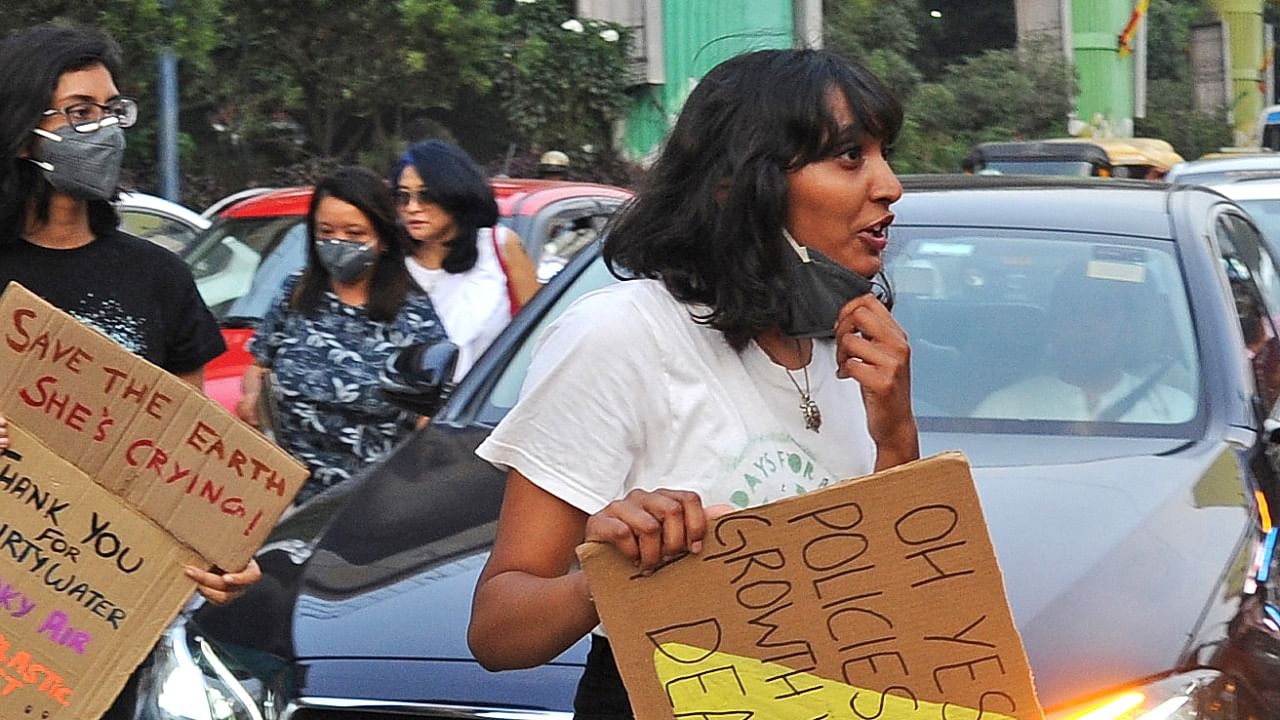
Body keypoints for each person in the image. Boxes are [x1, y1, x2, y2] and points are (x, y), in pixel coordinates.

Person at [467, 48, 919, 717]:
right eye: (851, 156)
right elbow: (498, 629)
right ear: (742, 183)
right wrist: (613, 575)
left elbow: (896, 592)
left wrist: (896, 437)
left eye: (884, 154)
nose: (890, 187)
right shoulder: (620, 335)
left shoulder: (849, 340)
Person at [0, 22, 257, 719]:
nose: (106, 129)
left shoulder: (159, 277)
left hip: (104, 616)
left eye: (113, 110)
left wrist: (224, 556)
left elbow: (192, 456)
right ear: (26, 133)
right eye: (80, 113)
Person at [236, 166, 447, 506]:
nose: (339, 243)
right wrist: (253, 398)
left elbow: (432, 418)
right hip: (285, 497)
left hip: (370, 502)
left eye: (354, 233)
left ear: (382, 239)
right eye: (326, 232)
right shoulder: (296, 292)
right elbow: (260, 365)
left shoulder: (414, 315)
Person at [972, 264, 1195, 423]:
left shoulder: (1177, 410)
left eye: (1102, 312)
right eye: (1072, 311)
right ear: (1053, 324)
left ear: (1127, 328)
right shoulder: (1003, 409)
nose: (1086, 323)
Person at [393, 139, 538, 379]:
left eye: (425, 196)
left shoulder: (499, 246)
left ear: (455, 194)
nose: (412, 208)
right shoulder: (390, 260)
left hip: (486, 409)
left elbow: (537, 336)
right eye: (403, 197)